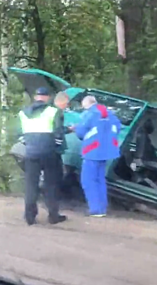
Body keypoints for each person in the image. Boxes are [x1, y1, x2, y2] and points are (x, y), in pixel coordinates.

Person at [17, 87, 67, 225]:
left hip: (31, 153)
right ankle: (53, 216)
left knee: (30, 184)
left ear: (35, 97)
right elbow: (58, 133)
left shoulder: (23, 113)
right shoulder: (53, 111)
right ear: (47, 97)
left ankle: (29, 216)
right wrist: (57, 147)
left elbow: (20, 136)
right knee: (51, 184)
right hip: (49, 152)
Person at [73, 95, 122, 217]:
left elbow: (81, 132)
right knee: (100, 179)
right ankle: (102, 208)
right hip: (107, 151)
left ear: (86, 104)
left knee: (88, 180)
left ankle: (95, 209)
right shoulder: (110, 114)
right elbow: (118, 127)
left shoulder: (89, 114)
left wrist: (75, 128)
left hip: (92, 151)